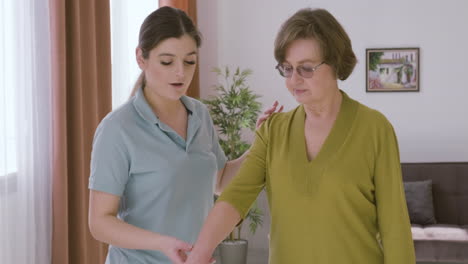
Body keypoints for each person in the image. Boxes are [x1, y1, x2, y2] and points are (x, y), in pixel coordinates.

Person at [186, 8, 416, 264]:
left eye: (306, 68)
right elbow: (235, 198)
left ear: (336, 64)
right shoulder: (273, 130)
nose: (294, 80)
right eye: (287, 68)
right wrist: (198, 253)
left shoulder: (375, 128)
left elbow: (395, 226)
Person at [87, 6, 281, 264]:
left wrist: (260, 142)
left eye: (189, 61)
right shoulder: (117, 129)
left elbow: (220, 181)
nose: (181, 72)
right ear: (141, 58)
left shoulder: (199, 114)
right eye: (167, 62)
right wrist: (162, 243)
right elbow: (99, 223)